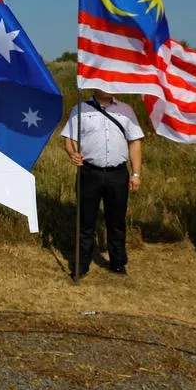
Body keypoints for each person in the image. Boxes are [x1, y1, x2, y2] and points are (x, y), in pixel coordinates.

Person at [60, 89, 144, 277]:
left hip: (118, 174)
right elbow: (69, 138)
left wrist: (136, 174)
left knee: (116, 221)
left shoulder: (126, 110)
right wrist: (73, 153)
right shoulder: (80, 109)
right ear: (94, 84)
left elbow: (135, 142)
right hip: (89, 173)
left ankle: (118, 263)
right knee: (85, 221)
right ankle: (81, 265)